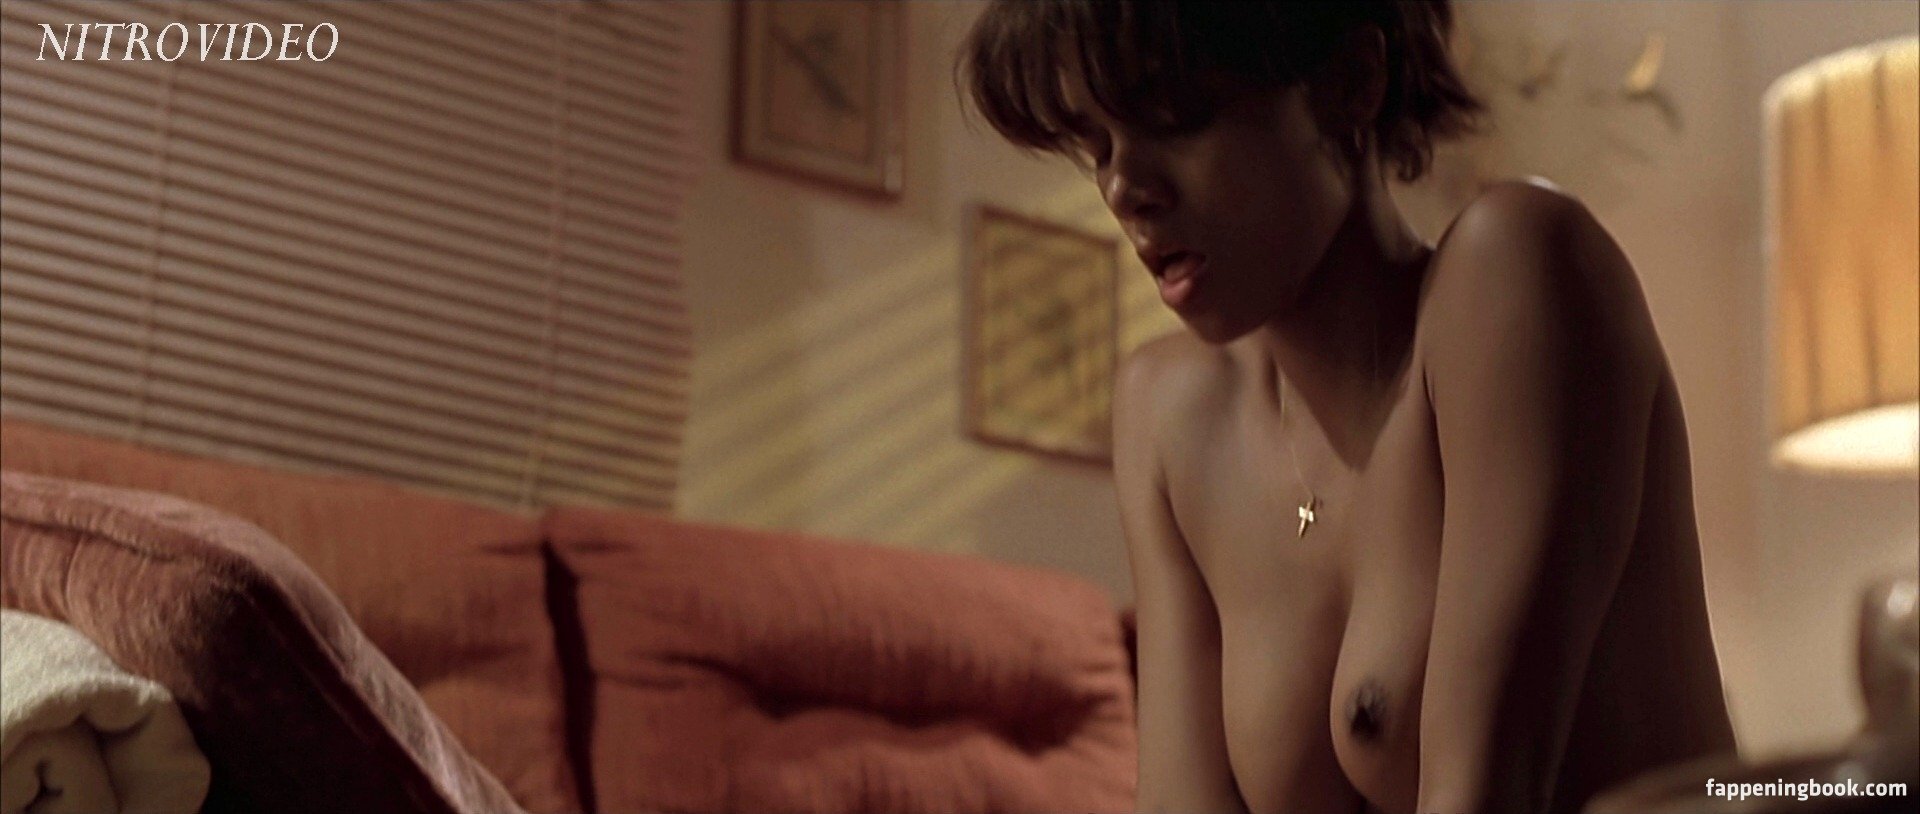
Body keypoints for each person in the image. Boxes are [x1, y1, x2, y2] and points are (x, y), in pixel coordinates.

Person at [957, 2, 1737, 812]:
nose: (1125, 188)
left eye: (1170, 116)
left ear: (1350, 83)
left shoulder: (1514, 271)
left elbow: (1484, 798)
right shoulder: (1168, 413)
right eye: (1097, 146)